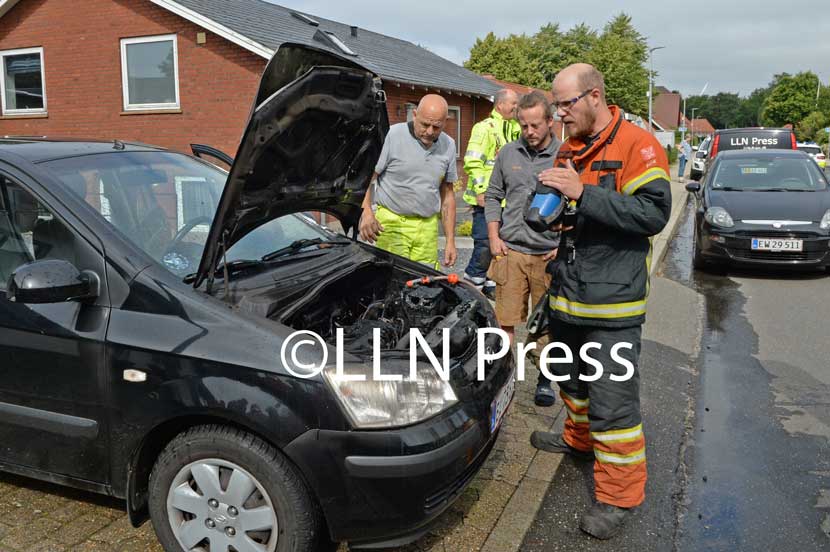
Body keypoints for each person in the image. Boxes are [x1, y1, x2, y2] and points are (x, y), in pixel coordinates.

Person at [530, 63, 671, 540]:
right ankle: (577, 440)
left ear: (593, 97)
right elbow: (577, 212)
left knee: (613, 406)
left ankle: (618, 498)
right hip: (570, 295)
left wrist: (582, 194)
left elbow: (653, 213)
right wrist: (555, 214)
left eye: (565, 104)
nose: (559, 114)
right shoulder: (571, 144)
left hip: (612, 308)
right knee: (571, 382)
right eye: (556, 106)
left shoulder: (638, 144)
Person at [484, 91, 560, 406]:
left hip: (547, 255)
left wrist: (565, 243)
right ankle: (503, 376)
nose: (528, 132)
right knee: (505, 320)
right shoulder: (508, 154)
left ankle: (544, 379)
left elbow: (580, 204)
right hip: (511, 251)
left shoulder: (567, 156)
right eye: (523, 126)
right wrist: (493, 237)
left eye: (534, 125)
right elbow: (491, 195)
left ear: (549, 122)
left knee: (546, 324)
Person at [359, 94, 457, 269]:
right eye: (425, 124)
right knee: (392, 278)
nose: (429, 131)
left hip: (427, 228)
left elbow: (448, 195)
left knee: (423, 282)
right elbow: (366, 178)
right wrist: (366, 212)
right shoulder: (393, 135)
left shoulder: (448, 145)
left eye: (437, 127)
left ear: (445, 123)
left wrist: (450, 240)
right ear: (414, 115)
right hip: (392, 224)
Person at [463, 89, 521, 298]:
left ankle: (490, 282)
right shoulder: (483, 128)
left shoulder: (517, 129)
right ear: (500, 105)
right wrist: (480, 190)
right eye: (513, 103)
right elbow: (472, 161)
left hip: (508, 200)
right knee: (485, 243)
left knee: (501, 242)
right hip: (486, 199)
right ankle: (471, 283)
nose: (516, 107)